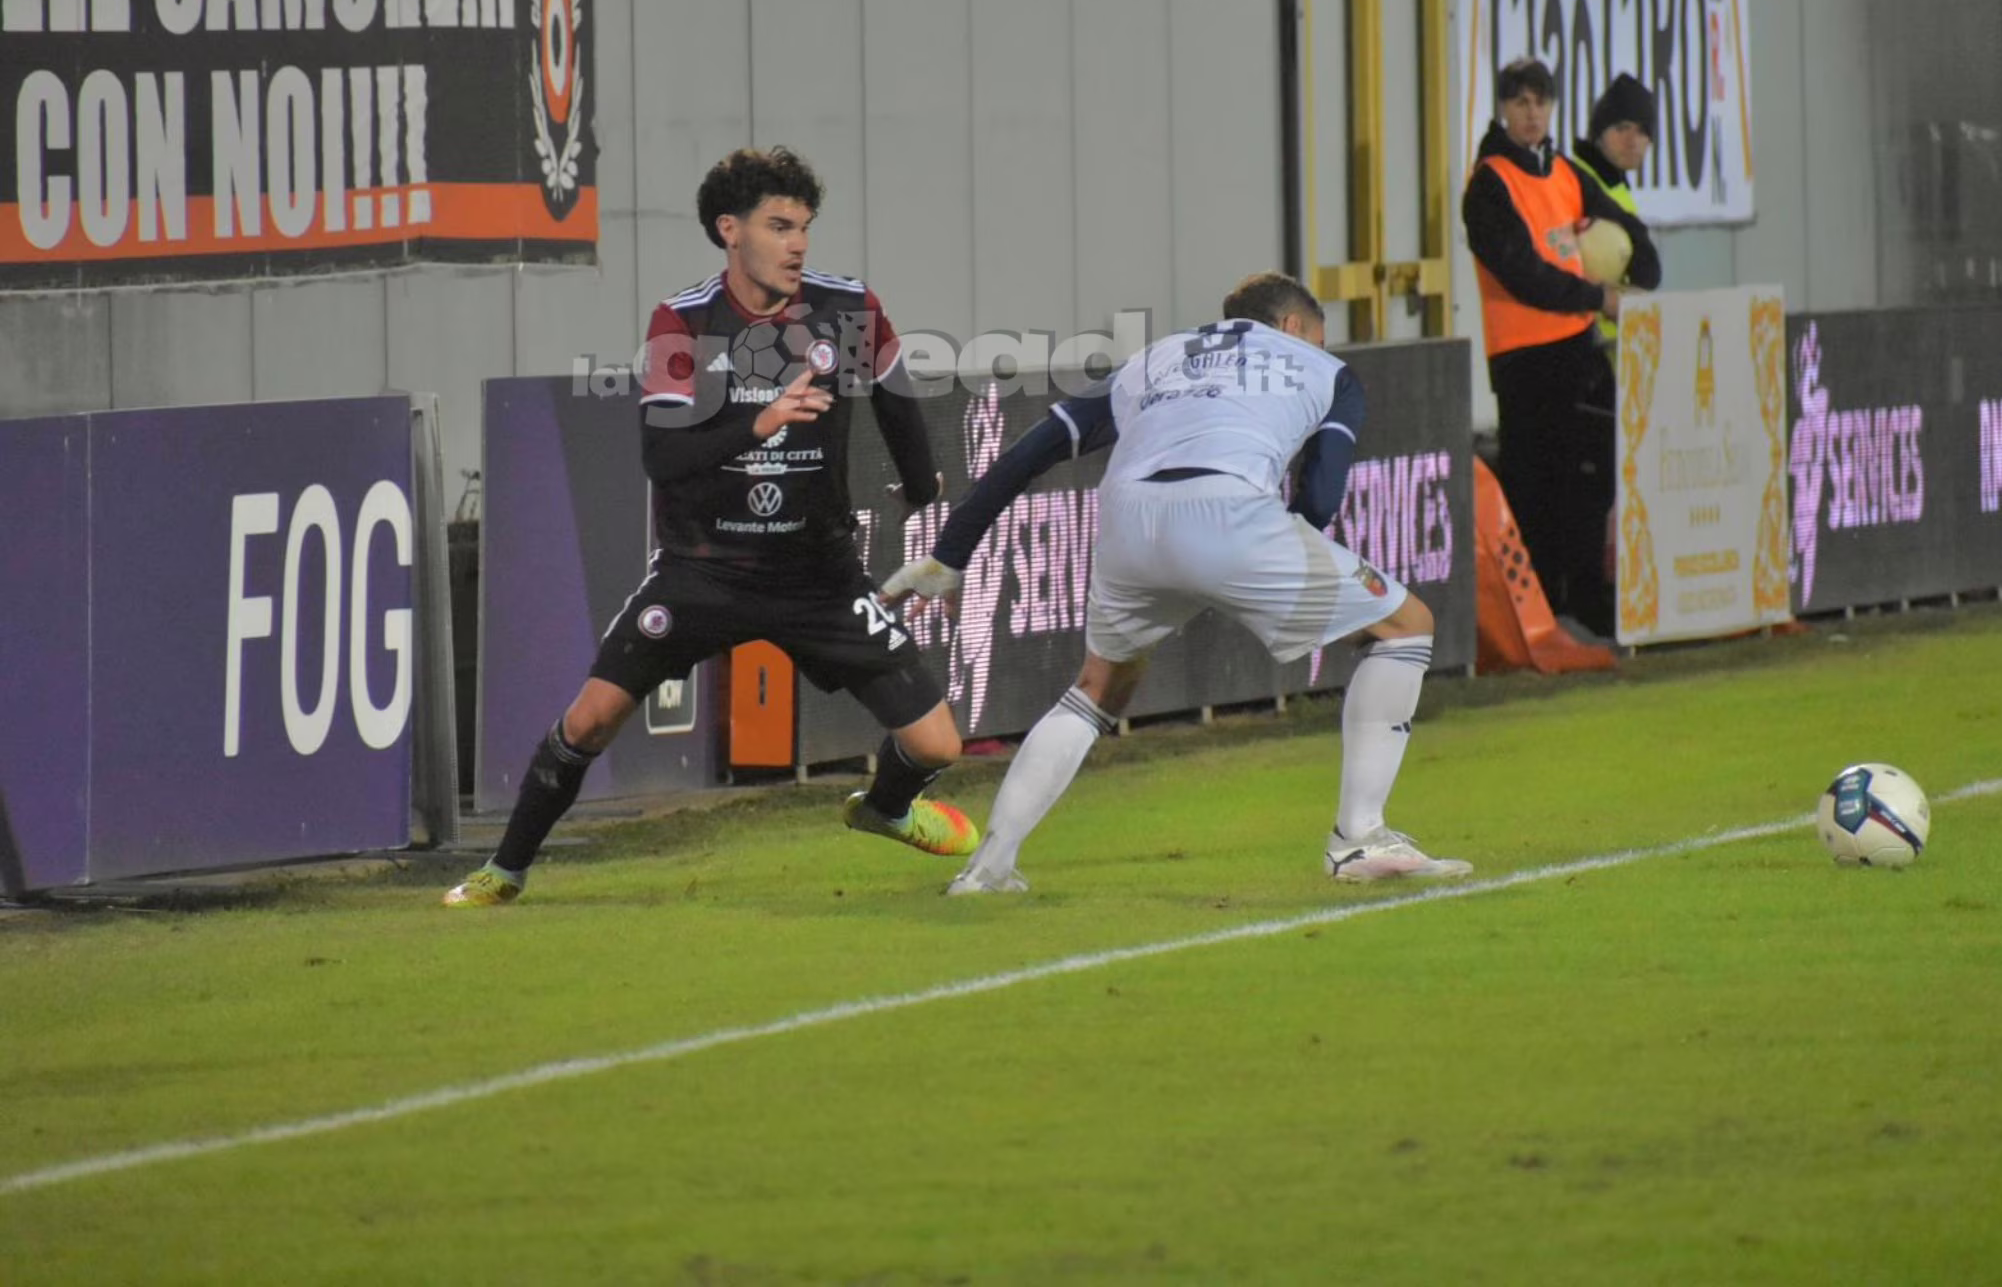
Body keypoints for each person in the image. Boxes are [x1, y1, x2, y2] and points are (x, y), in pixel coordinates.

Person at [445, 147, 977, 906]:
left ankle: (885, 809)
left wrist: (921, 486)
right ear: (730, 230)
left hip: (819, 577)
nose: (798, 244)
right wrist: (761, 421)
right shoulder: (685, 322)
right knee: (591, 719)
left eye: (804, 227)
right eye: (779, 226)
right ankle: (503, 871)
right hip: (704, 570)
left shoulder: (848, 307)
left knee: (937, 745)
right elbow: (663, 457)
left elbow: (896, 400)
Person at [880, 271, 1470, 895]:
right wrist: (1276, 558)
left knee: (1095, 689)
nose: (1320, 349)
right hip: (1231, 511)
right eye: (1317, 338)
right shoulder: (1326, 371)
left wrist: (949, 555)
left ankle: (987, 868)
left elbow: (1029, 454)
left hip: (1129, 519)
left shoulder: (1153, 359)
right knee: (1406, 627)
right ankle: (1359, 837)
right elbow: (1321, 493)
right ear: (1294, 325)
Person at [1463, 58, 1660, 638]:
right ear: (1504, 108)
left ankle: (1589, 601)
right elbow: (1523, 274)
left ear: (1552, 108)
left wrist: (1635, 265)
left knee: (1592, 484)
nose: (1532, 114)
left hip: (1577, 349)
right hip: (1524, 359)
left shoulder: (1565, 174)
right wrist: (1599, 296)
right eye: (1521, 103)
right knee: (1537, 492)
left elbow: (1634, 238)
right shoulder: (1489, 184)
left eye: (1541, 103)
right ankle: (1544, 611)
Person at [1569, 73, 1659, 346]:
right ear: (1599, 132)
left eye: (1642, 132)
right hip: (1582, 342)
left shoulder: (1615, 185)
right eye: (1622, 128)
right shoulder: (1573, 181)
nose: (1632, 141)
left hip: (1615, 341)